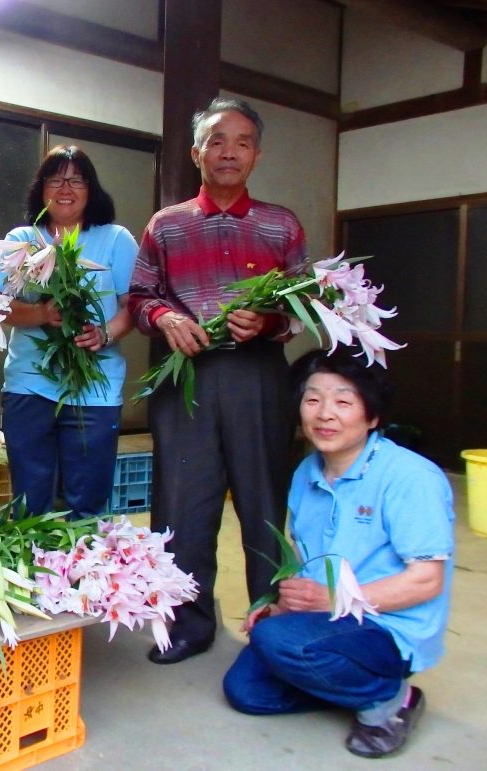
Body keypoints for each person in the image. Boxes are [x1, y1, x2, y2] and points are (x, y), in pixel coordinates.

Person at [128, 98, 306, 664]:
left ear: (256, 153)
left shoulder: (281, 224)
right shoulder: (167, 224)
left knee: (264, 500)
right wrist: (167, 318)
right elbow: (138, 297)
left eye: (242, 141)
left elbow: (307, 307)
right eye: (217, 140)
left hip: (259, 377)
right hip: (187, 376)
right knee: (183, 503)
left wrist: (272, 320)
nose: (229, 151)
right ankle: (187, 622)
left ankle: (271, 619)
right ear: (196, 151)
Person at [223, 347, 453, 759]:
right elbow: (311, 565)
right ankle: (341, 683)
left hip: (386, 629)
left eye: (343, 401)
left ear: (373, 416)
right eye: (312, 399)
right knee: (246, 688)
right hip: (333, 622)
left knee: (281, 643)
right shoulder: (306, 473)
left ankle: (391, 699)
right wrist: (283, 606)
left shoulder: (410, 478)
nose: (324, 413)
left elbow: (426, 580)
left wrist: (330, 601)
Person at [0, 145, 138, 516]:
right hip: (29, 383)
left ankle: (80, 571)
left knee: (86, 501)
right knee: (29, 500)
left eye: (76, 179)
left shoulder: (116, 239)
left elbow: (132, 307)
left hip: (95, 388)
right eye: (55, 179)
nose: (65, 188)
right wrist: (41, 313)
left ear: (92, 188)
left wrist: (104, 334)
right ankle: (33, 569)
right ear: (41, 189)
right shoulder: (21, 238)